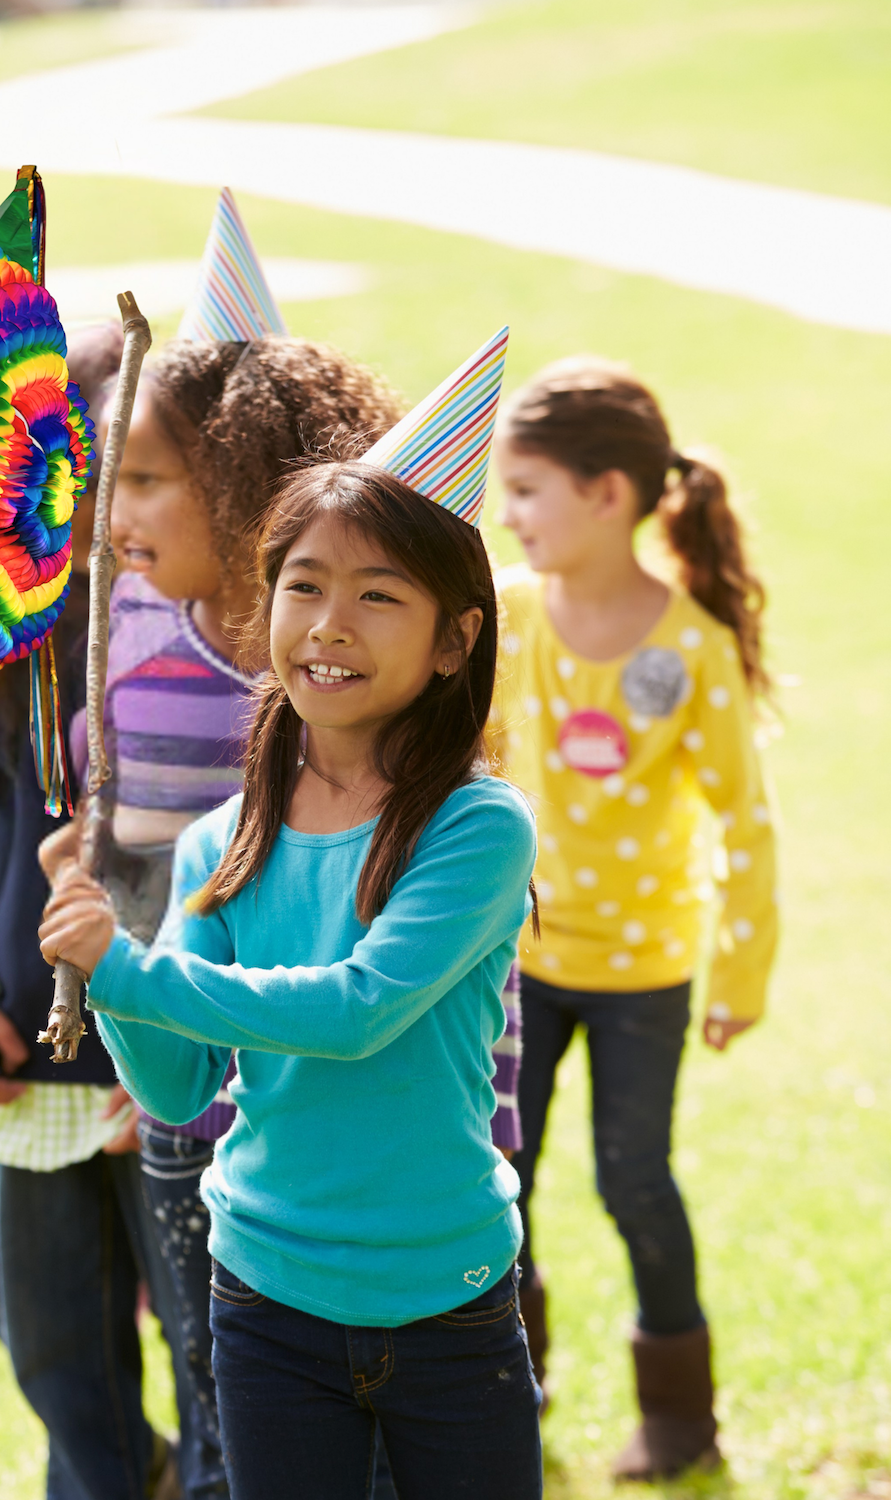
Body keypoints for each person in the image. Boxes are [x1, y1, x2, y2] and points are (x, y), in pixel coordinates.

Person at [39, 459, 543, 1500]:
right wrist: (107, 962)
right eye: (305, 584)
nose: (331, 623)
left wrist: (126, 968)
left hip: (445, 1293)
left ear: (457, 640)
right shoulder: (222, 844)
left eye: (379, 595)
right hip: (266, 1298)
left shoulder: (475, 828)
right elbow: (178, 1088)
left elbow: (356, 1011)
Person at [57, 334, 405, 1500]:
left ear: (244, 485)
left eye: (147, 477)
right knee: (219, 1389)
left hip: (303, 1120)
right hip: (186, 1082)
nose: (116, 510)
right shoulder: (145, 636)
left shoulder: (319, 694)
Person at [492, 357, 778, 1479]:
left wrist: (738, 983)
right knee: (500, 1172)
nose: (506, 516)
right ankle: (506, 1374)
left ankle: (678, 1414)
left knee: (633, 1180)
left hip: (643, 977)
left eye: (525, 491)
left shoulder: (692, 649)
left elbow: (748, 825)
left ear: (607, 494)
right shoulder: (510, 618)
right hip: (514, 959)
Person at [0, 322, 180, 1500]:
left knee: (201, 1329)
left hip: (161, 1063)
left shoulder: (207, 640)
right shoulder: (3, 633)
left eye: (140, 474)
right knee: (45, 1330)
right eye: (79, 470)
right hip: (31, 1054)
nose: (103, 504)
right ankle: (123, 1481)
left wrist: (189, 1052)